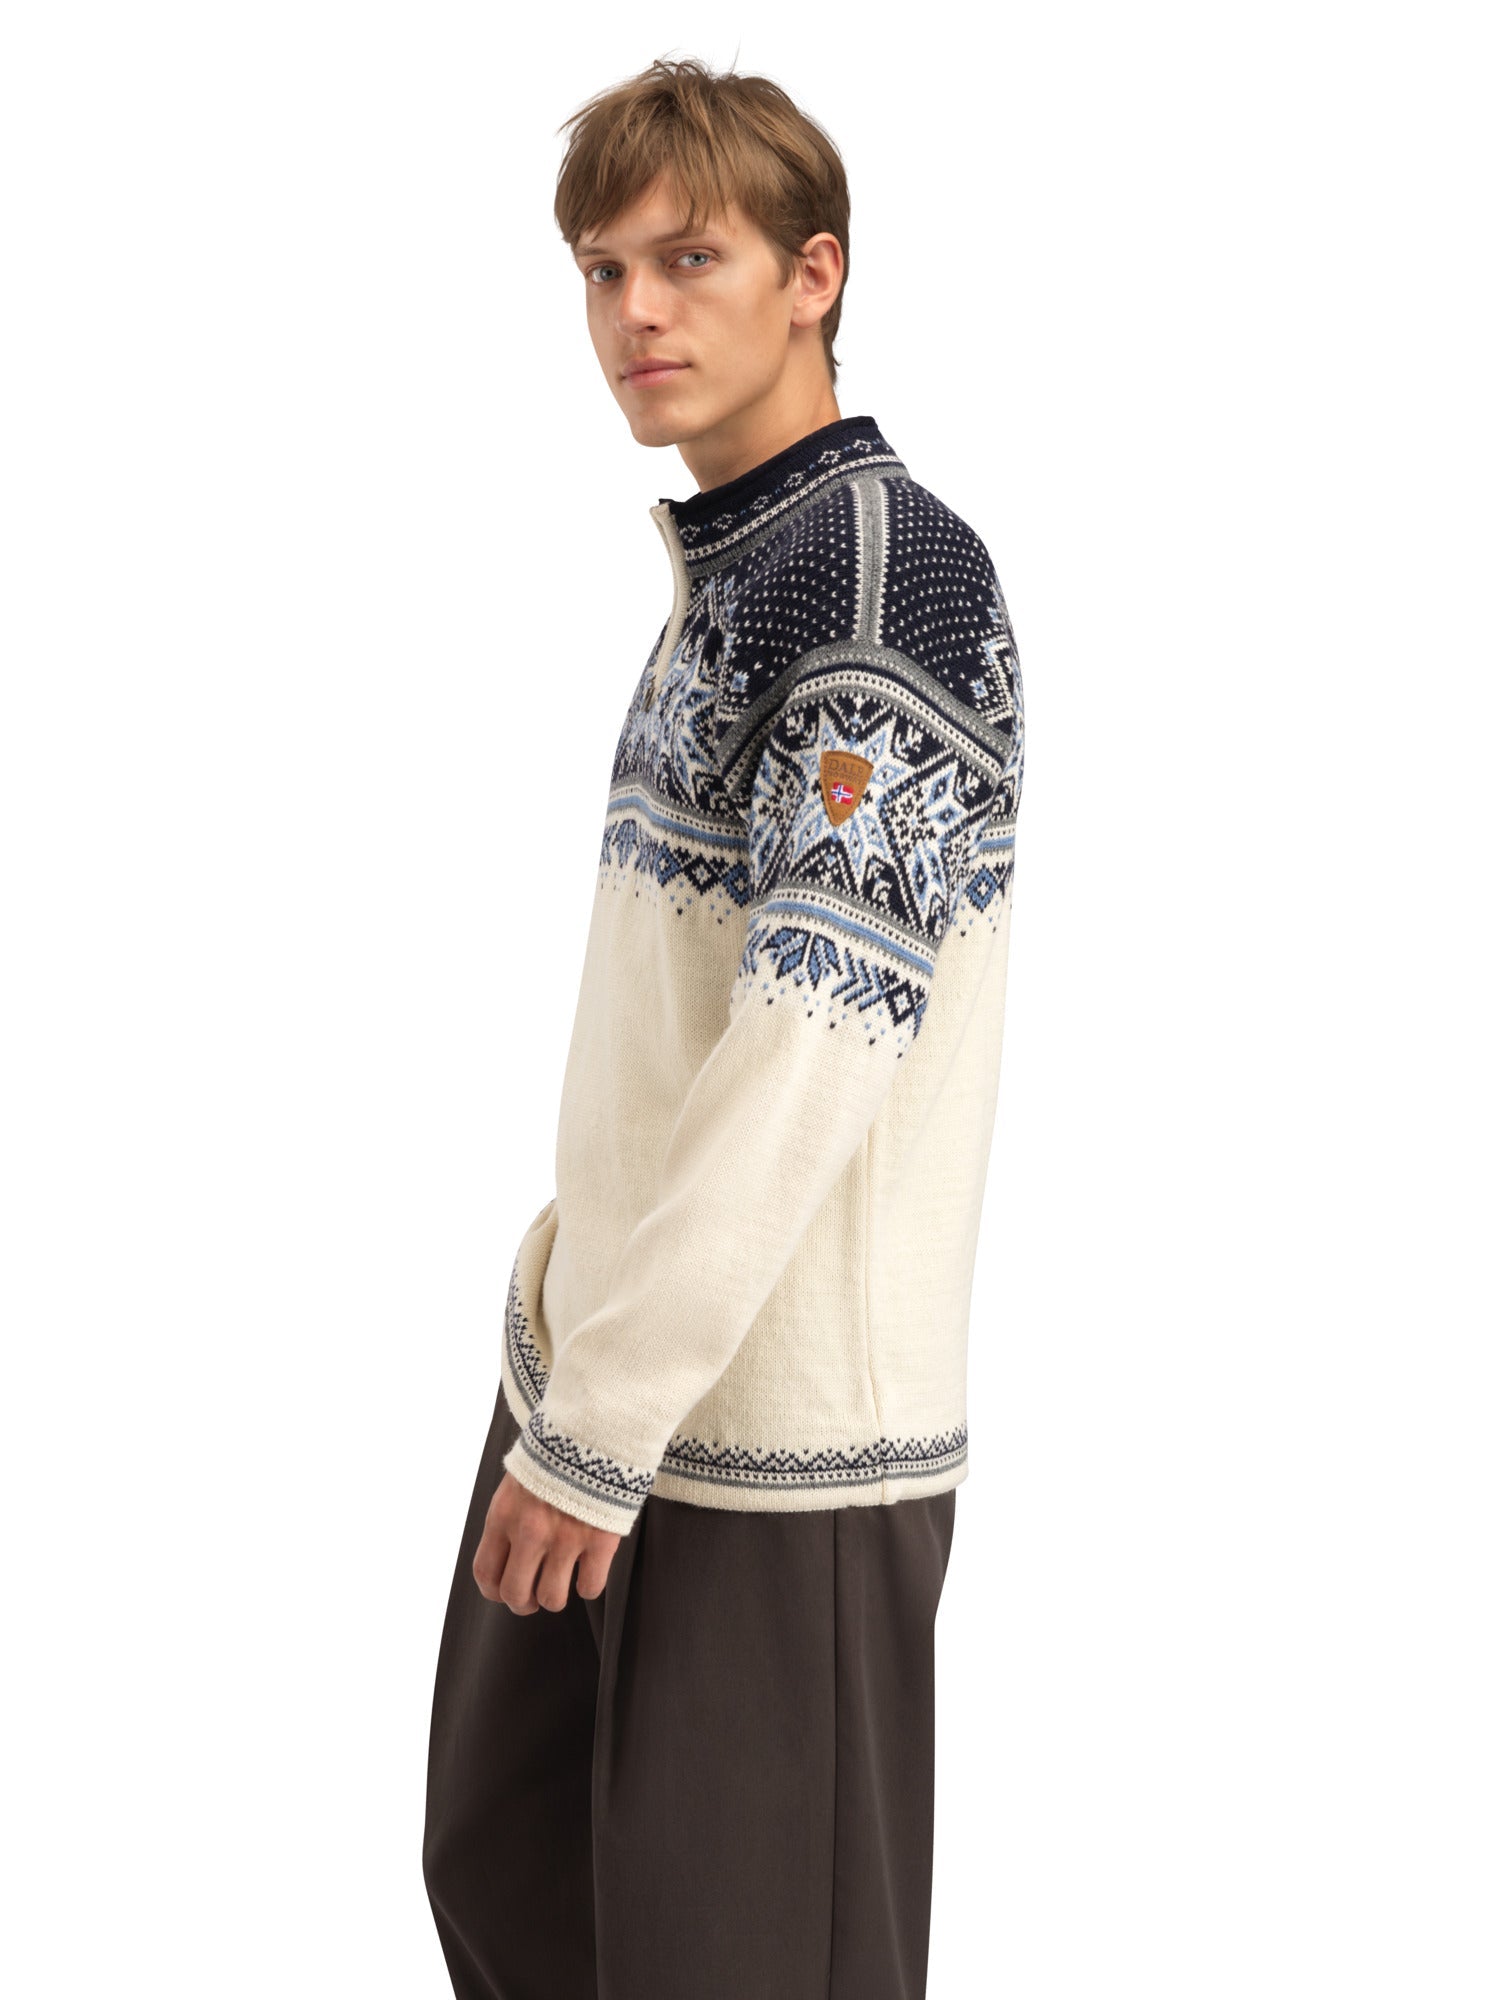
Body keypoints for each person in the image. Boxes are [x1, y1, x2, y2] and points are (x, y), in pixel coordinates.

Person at [423, 54, 1026, 2000]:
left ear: (812, 274)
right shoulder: (734, 573)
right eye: (603, 270)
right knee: (514, 1891)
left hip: (776, 1444)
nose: (637, 313)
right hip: (611, 1375)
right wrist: (574, 1343)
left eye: (691, 258)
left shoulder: (883, 586)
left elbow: (809, 1054)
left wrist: (600, 1426)